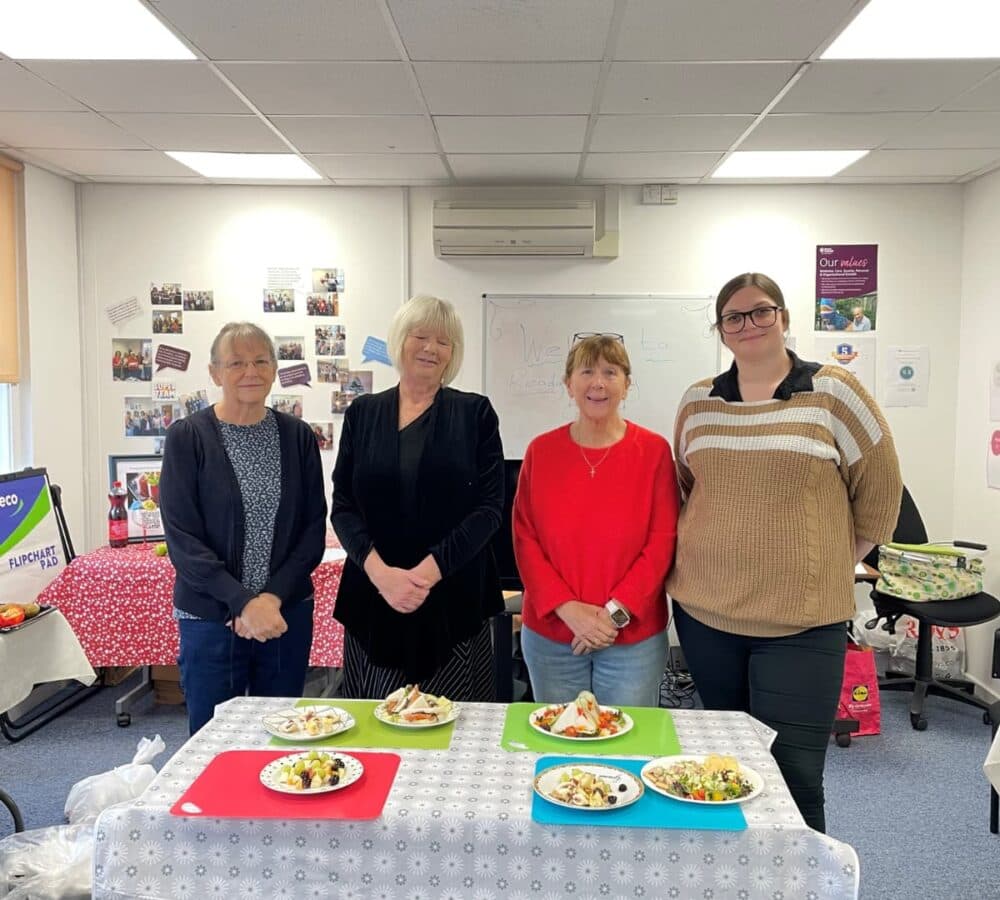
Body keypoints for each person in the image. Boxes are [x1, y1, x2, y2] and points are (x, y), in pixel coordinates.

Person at [668, 272, 903, 832]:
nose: (748, 325)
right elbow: (686, 486)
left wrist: (831, 557)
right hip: (707, 616)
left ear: (784, 317)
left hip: (802, 622)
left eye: (760, 311)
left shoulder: (834, 392)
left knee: (793, 778)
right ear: (721, 331)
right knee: (721, 774)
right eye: (733, 317)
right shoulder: (698, 402)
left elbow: (881, 489)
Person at [331, 295, 504, 700]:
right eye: (420, 336)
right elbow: (343, 507)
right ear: (399, 341)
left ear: (453, 353)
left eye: (443, 341)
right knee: (375, 726)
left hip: (451, 597)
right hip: (374, 596)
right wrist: (383, 576)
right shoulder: (363, 413)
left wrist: (423, 577)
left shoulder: (475, 413)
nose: (430, 348)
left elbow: (490, 508)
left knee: (453, 729)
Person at [160, 322, 327, 733]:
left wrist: (268, 600)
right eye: (236, 363)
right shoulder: (187, 438)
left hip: (283, 614)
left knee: (284, 731)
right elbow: (183, 540)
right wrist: (241, 602)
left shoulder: (299, 437)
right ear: (216, 373)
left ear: (273, 369)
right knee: (213, 738)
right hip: (210, 618)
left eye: (260, 361)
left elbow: (311, 532)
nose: (250, 371)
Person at [513, 334, 679, 708]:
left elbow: (663, 540)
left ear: (627, 383)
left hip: (631, 639)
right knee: (559, 744)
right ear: (569, 383)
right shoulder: (541, 452)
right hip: (552, 635)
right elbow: (525, 539)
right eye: (587, 371)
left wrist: (612, 617)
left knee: (628, 748)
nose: (598, 383)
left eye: (611, 371)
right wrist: (570, 611)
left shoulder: (653, 452)